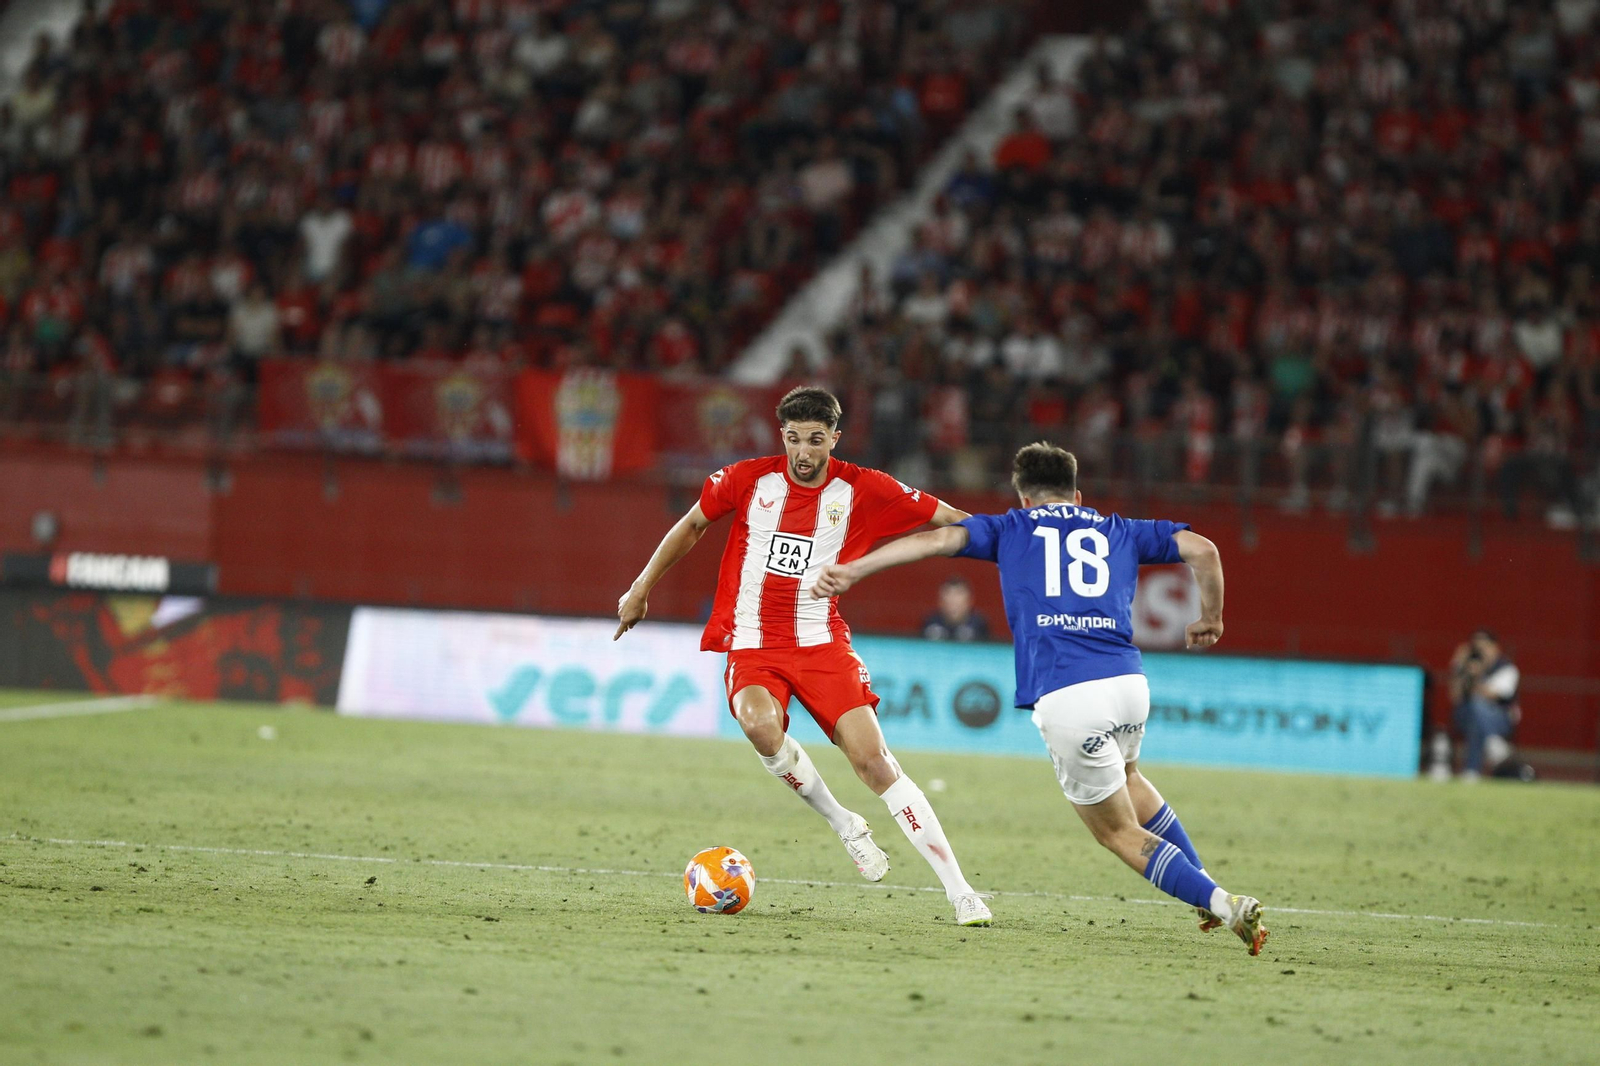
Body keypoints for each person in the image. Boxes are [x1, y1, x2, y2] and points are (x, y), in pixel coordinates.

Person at [812, 442, 1270, 955]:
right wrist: (1212, 618)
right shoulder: (1119, 528)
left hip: (1069, 695)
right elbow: (1203, 550)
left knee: (1117, 832)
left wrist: (853, 570)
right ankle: (1205, 888)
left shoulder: (1013, 527)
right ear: (1077, 494)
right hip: (1128, 685)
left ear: (1023, 497)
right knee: (1131, 777)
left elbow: (939, 539)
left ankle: (1224, 903)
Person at [615, 386, 993, 927]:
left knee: (875, 763)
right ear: (783, 437)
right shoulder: (747, 479)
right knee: (758, 725)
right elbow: (693, 524)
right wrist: (641, 587)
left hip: (821, 643)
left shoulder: (864, 487)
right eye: (793, 438)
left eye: (815, 440)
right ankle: (845, 824)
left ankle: (961, 892)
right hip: (753, 643)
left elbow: (951, 517)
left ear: (834, 439)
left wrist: (1014, 542)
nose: (803, 451)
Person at [1449, 630, 1521, 780]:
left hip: (1499, 719)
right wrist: (1458, 667)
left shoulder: (1507, 668)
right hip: (1468, 718)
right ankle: (1493, 742)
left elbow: (1494, 694)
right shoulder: (1467, 668)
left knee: (1477, 706)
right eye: (1477, 648)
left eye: (1485, 647)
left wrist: (1478, 676)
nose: (1481, 652)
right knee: (1474, 714)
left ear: (1495, 647)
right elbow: (1455, 697)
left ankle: (1472, 770)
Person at [922, 576, 989, 642]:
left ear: (969, 600)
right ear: (941, 601)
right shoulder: (930, 622)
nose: (953, 600)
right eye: (948, 594)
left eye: (958, 594)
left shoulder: (979, 625)